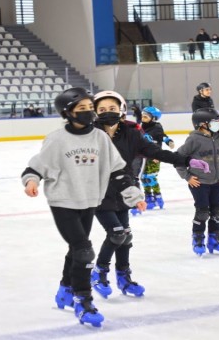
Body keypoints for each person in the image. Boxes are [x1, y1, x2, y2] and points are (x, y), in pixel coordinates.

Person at [21, 87, 143, 328]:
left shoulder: (100, 138)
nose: (88, 113)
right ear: (68, 113)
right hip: (63, 201)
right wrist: (32, 181)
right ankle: (83, 300)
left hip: (90, 201)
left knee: (76, 250)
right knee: (84, 250)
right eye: (82, 109)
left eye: (90, 108)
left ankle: (64, 290)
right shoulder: (57, 139)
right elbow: (36, 166)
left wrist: (133, 195)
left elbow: (118, 171)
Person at [89, 90, 209, 298]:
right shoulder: (89, 135)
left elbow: (156, 152)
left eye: (112, 108)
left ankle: (123, 276)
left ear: (121, 110)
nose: (107, 112)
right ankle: (99, 271)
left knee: (125, 237)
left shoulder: (131, 133)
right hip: (98, 193)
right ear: (95, 112)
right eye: (102, 109)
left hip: (125, 191)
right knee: (117, 233)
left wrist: (186, 160)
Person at [176, 108, 219, 256]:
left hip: (216, 181)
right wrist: (187, 176)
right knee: (202, 212)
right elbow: (178, 158)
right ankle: (198, 239)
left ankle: (214, 240)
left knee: (218, 211)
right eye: (214, 122)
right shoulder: (194, 139)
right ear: (202, 124)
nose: (218, 124)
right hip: (199, 182)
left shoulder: (217, 137)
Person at [140, 106, 176, 209]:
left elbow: (163, 136)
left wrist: (169, 141)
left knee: (151, 177)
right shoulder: (141, 126)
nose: (143, 118)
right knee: (143, 178)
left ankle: (158, 198)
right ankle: (148, 198)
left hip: (155, 157)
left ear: (154, 118)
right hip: (144, 156)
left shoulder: (157, 128)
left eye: (146, 117)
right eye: (142, 116)